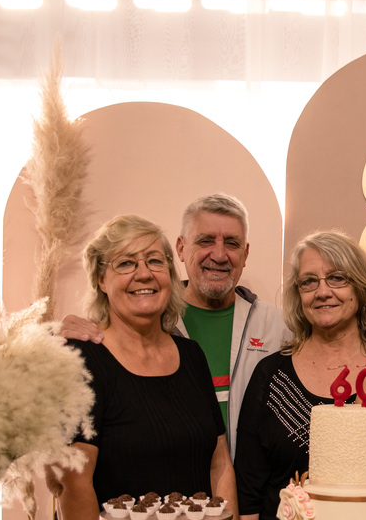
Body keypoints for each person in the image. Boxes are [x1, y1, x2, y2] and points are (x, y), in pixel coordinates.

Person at [45, 215, 247, 520]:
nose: (143, 274)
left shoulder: (191, 356)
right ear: (101, 278)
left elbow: (218, 465)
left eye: (155, 261)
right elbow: (71, 483)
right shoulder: (79, 360)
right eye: (125, 263)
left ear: (171, 277)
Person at [234, 230, 366, 520]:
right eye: (309, 282)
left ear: (360, 287)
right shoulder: (270, 376)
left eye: (337, 278)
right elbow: (248, 491)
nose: (323, 291)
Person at [60, 193, 289, 458]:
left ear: (245, 253)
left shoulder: (277, 326)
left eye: (232, 243)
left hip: (251, 491)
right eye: (205, 241)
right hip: (175, 487)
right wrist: (52, 337)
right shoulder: (148, 318)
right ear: (180, 248)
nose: (219, 254)